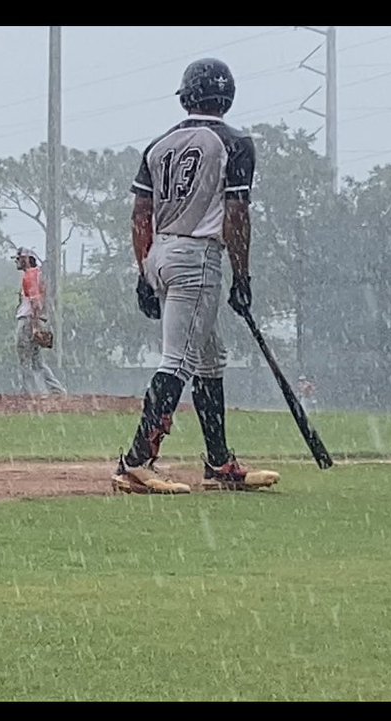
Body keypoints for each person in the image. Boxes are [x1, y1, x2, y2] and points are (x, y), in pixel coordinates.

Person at [111, 58, 279, 495]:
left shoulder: (160, 143)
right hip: (198, 257)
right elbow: (237, 213)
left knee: (209, 360)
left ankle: (219, 463)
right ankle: (135, 462)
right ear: (228, 98)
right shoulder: (235, 142)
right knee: (179, 361)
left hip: (161, 253)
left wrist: (143, 272)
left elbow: (140, 213)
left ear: (186, 96)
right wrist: (242, 276)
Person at [13, 246, 66, 397]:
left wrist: (35, 326)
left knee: (24, 358)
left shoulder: (30, 275)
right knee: (37, 361)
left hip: (28, 320)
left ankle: (28, 392)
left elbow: (35, 302)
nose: (17, 261)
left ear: (27, 259)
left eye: (19, 258)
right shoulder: (38, 275)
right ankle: (56, 389)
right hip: (36, 319)